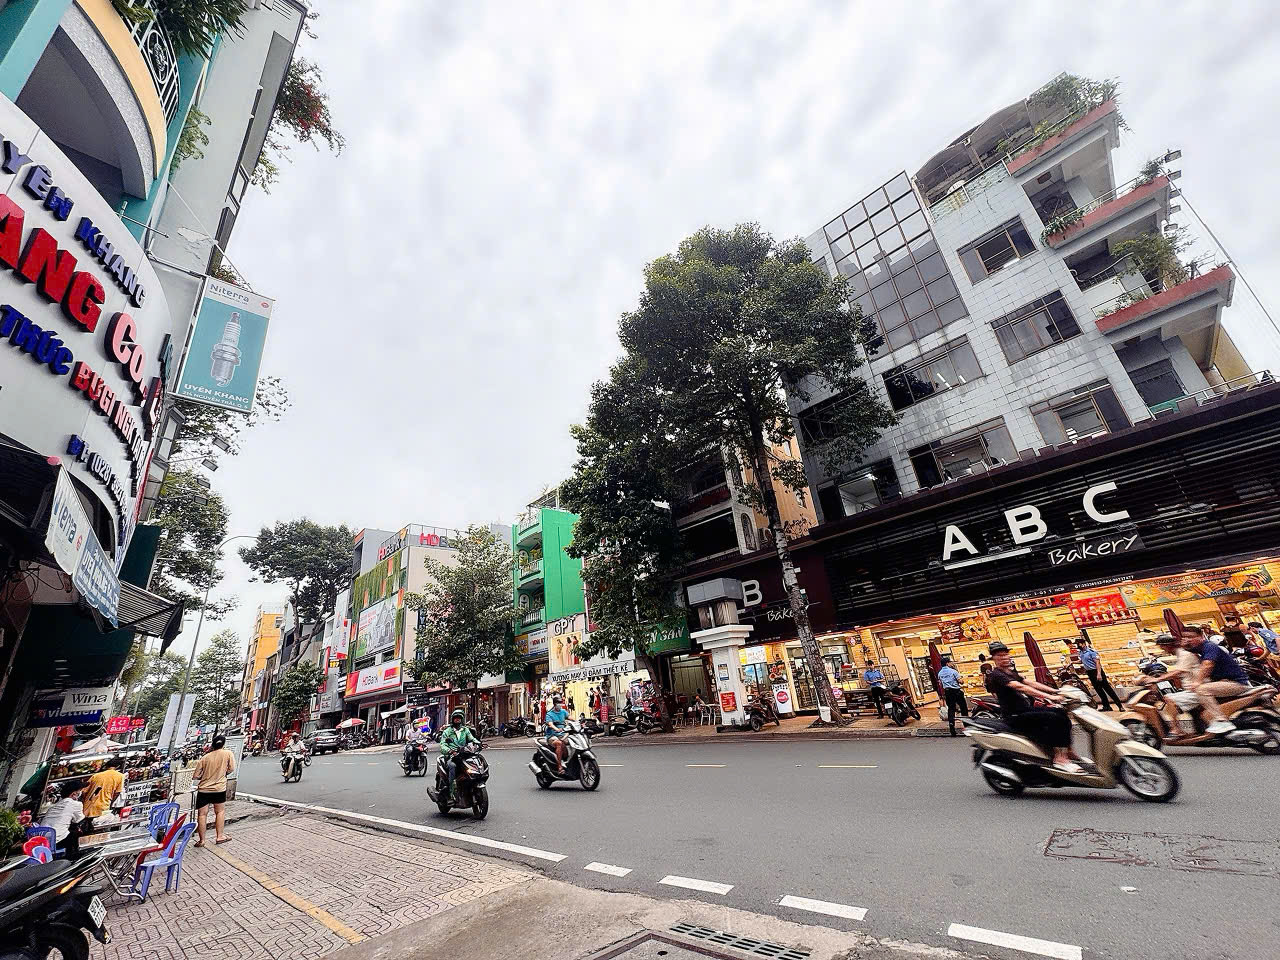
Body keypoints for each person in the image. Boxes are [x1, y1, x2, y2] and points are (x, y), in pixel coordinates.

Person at [985, 641, 1080, 773]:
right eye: (999, 655)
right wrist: (1050, 697)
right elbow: (1021, 687)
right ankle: (1060, 758)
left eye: (1005, 654)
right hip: (1015, 715)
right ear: (994, 658)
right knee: (1054, 718)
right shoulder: (996, 674)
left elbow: (1029, 682)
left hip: (1025, 709)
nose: (1004, 657)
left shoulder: (1010, 672)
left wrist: (1056, 691)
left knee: (1061, 712)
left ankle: (1067, 750)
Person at [1181, 624, 1250, 734]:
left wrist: (1197, 682)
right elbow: (1187, 652)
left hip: (1235, 683)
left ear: (1201, 636)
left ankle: (1221, 721)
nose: (1187, 639)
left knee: (1202, 689)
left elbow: (1208, 665)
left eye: (1190, 637)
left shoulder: (1209, 646)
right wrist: (1184, 646)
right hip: (1223, 682)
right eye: (1184, 637)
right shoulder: (1199, 649)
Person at [192, 733, 236, 847]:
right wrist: (223, 774)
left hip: (204, 790)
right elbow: (232, 768)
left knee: (202, 814)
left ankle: (202, 840)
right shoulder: (228, 753)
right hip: (219, 788)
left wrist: (205, 776)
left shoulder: (205, 757)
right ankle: (219, 836)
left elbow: (195, 776)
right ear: (223, 744)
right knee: (220, 812)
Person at [439, 709, 479, 801]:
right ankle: (451, 792)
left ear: (462, 719)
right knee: (452, 766)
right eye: (455, 718)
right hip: (452, 756)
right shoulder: (447, 731)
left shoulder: (465, 730)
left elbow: (472, 739)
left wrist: (478, 743)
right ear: (452, 719)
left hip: (464, 754)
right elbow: (443, 745)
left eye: (459, 718)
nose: (457, 719)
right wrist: (449, 750)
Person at [41, 782, 86, 859]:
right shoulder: (76, 804)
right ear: (74, 794)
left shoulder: (54, 806)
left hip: (43, 842)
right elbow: (79, 820)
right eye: (79, 791)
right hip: (58, 841)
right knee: (75, 834)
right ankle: (72, 858)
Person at [1076, 637, 1123, 711]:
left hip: (1097, 671)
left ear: (1084, 644)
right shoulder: (1081, 652)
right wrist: (1072, 662)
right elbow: (1082, 660)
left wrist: (1099, 674)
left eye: (1079, 644)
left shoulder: (1092, 652)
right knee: (1099, 690)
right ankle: (1106, 706)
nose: (1078, 646)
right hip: (1090, 673)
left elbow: (1097, 663)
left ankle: (1120, 706)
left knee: (1108, 689)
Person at [81, 756, 124, 832]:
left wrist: (86, 801)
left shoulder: (96, 776)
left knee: (87, 831)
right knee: (99, 831)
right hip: (104, 807)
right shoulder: (120, 776)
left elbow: (84, 792)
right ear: (118, 766)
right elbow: (117, 792)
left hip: (89, 808)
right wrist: (111, 803)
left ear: (106, 766)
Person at [937, 657, 968, 736]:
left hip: (948, 692)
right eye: (950, 662)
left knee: (951, 709)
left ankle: (952, 727)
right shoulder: (953, 671)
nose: (951, 663)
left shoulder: (940, 673)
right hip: (956, 691)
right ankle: (966, 725)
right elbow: (961, 682)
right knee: (963, 708)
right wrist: (962, 680)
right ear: (947, 663)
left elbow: (940, 683)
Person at [544, 695, 571, 773]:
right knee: (559, 743)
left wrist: (579, 722)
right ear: (554, 704)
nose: (560, 704)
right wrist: (556, 729)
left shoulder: (563, 712)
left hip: (563, 734)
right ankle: (559, 766)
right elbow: (550, 724)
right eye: (558, 703)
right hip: (552, 735)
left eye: (560, 703)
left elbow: (570, 717)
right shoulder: (549, 714)